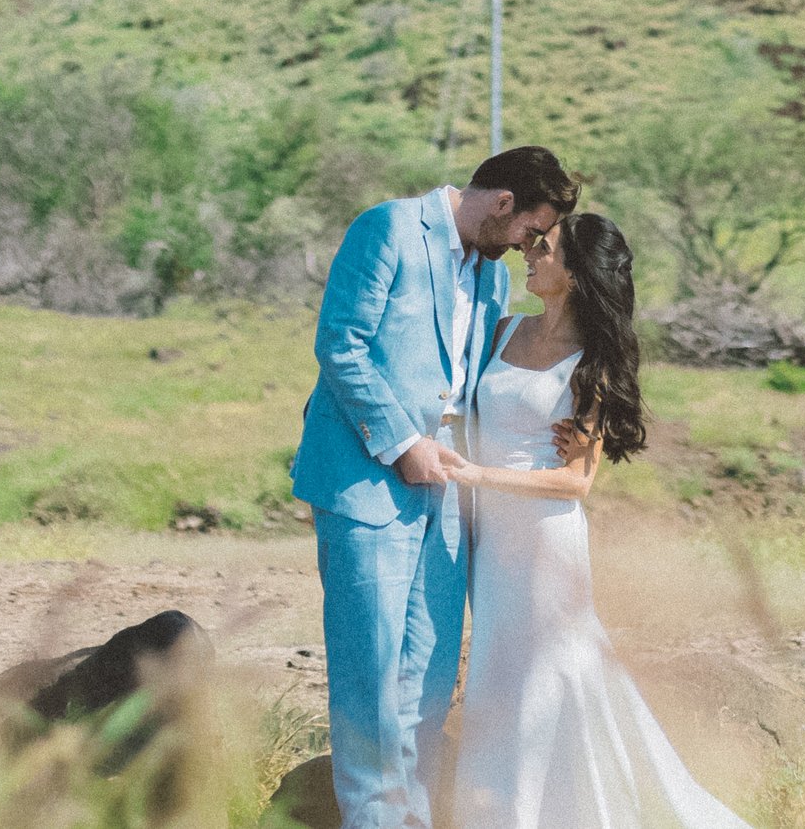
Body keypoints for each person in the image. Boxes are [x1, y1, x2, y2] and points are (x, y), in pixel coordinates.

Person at [291, 146, 579, 829]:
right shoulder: (387, 228)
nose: (526, 246)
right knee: (371, 667)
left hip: (448, 489)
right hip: (366, 479)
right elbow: (341, 343)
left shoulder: (489, 277)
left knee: (427, 669)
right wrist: (401, 442)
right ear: (502, 202)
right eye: (528, 229)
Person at [447, 212, 754, 829]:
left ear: (577, 273)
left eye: (547, 247)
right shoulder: (503, 329)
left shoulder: (591, 364)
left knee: (547, 673)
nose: (530, 253)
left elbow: (575, 479)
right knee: (500, 670)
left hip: (544, 537)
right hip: (490, 536)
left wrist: (474, 476)